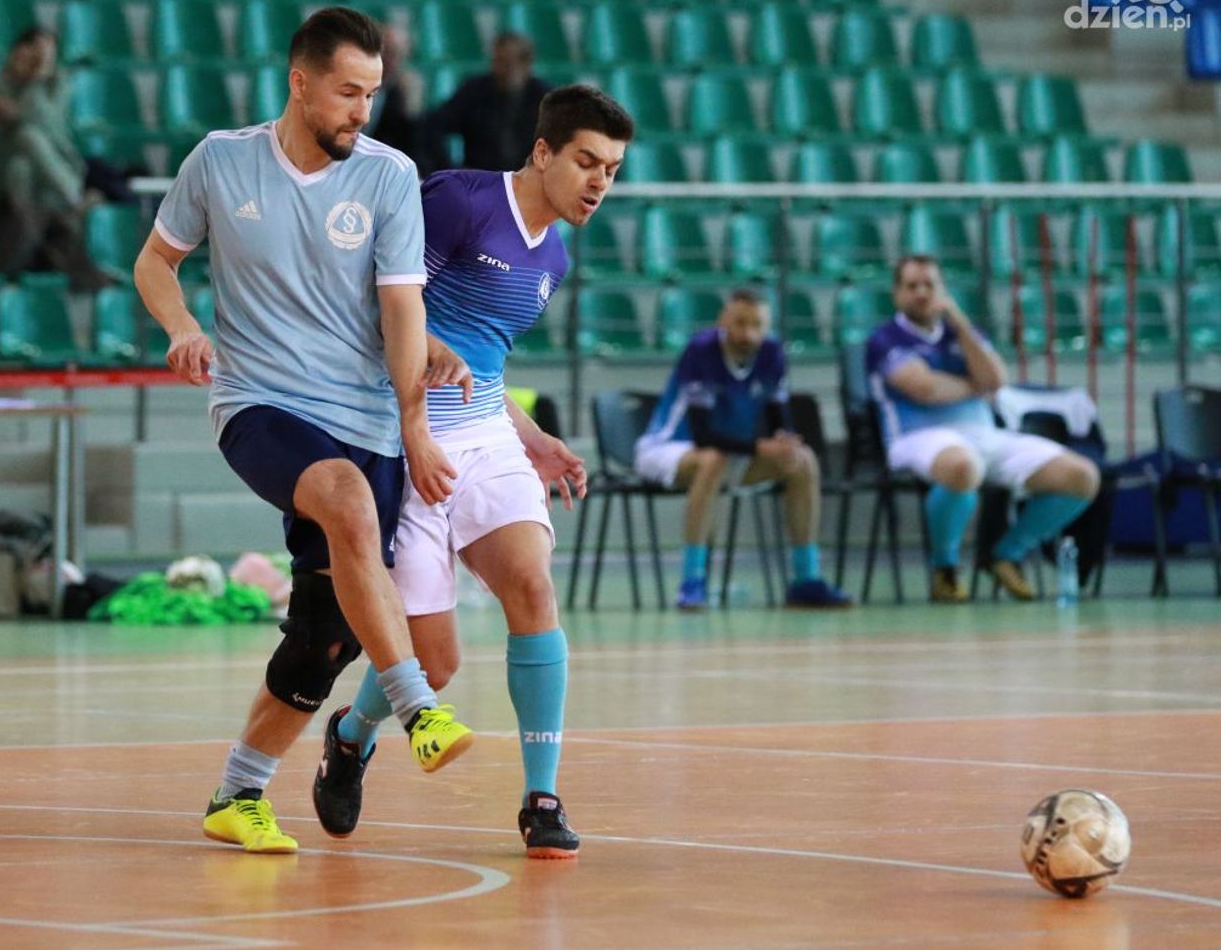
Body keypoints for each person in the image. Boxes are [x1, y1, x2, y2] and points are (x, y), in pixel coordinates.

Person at [132, 7, 475, 855]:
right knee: (346, 499)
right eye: (349, 92)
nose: (363, 110)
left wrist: (415, 427)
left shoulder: (390, 176)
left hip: (367, 417)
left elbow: (402, 309)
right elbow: (156, 260)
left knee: (326, 637)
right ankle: (417, 708)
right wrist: (182, 326)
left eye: (373, 94)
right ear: (300, 83)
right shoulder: (222, 161)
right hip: (259, 403)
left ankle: (237, 792)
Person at [314, 85, 632, 860]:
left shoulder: (554, 255)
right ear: (543, 152)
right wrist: (420, 401)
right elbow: (376, 304)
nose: (599, 181)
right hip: (400, 435)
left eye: (613, 170)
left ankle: (541, 798)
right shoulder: (458, 202)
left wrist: (533, 437)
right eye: (587, 161)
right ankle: (351, 735)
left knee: (532, 587)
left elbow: (483, 363)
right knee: (436, 664)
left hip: (486, 437)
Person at [866, 255, 1101, 602]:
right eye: (912, 286)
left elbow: (997, 379)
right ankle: (944, 568)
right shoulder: (885, 339)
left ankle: (1006, 554)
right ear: (896, 293)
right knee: (963, 466)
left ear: (943, 290)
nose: (921, 293)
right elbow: (925, 390)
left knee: (1081, 476)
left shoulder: (963, 333)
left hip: (983, 434)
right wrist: (976, 385)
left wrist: (961, 324)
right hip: (916, 436)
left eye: (929, 285)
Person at [634, 288, 853, 611]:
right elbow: (703, 435)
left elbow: (779, 417)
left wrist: (786, 443)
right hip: (667, 448)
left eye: (756, 325)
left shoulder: (772, 353)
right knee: (712, 460)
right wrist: (760, 447)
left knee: (803, 461)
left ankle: (806, 578)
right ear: (723, 320)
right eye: (740, 323)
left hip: (730, 454)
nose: (748, 333)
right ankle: (692, 581)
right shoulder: (701, 351)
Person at [0, 28, 113, 291]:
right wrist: (31, 86)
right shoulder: (1, 81)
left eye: (47, 52)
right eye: (36, 51)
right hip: (5, 157)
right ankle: (73, 197)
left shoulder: (59, 82)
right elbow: (17, 125)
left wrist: (34, 83)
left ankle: (26, 239)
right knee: (26, 138)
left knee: (22, 167)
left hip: (48, 160)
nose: (41, 58)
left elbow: (51, 128)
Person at [424, 31, 549, 172]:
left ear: (527, 64)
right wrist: (448, 169)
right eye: (499, 61)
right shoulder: (474, 91)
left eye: (511, 62)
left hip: (527, 179)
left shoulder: (544, 99)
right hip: (479, 178)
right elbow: (434, 125)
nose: (504, 69)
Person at [366, 22, 425, 173]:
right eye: (382, 53)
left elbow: (411, 146)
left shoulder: (400, 92)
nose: (387, 60)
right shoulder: (351, 87)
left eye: (393, 54)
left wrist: (411, 109)